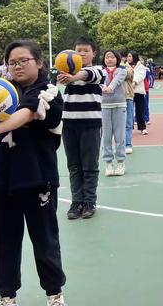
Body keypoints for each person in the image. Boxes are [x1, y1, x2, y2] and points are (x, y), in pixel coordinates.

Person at [0, 40, 67, 306]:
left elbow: (25, 114)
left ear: (38, 62)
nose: (17, 66)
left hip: (37, 178)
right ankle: (7, 297)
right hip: (1, 177)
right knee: (4, 242)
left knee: (45, 241)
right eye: (12, 62)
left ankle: (54, 294)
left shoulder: (48, 91)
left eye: (23, 60)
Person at [58, 37, 105, 220]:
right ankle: (76, 202)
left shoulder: (98, 70)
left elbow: (88, 75)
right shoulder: (65, 74)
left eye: (86, 50)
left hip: (91, 125)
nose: (82, 53)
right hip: (69, 124)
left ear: (94, 53)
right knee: (74, 166)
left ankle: (89, 202)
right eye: (78, 50)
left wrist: (73, 77)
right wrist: (67, 76)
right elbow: (60, 79)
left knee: (90, 166)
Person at [101, 49, 127, 177]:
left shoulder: (122, 71)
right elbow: (99, 83)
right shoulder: (100, 72)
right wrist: (103, 88)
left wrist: (109, 88)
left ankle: (121, 162)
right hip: (104, 106)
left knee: (119, 136)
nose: (109, 59)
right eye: (107, 57)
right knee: (106, 137)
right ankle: (109, 164)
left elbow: (117, 80)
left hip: (119, 105)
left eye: (111, 57)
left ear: (116, 58)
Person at [128, 52, 148, 135]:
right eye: (128, 56)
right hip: (129, 92)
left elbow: (141, 76)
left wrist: (134, 82)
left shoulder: (141, 67)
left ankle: (142, 128)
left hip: (138, 91)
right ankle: (129, 127)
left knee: (140, 110)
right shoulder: (125, 66)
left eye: (130, 56)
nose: (128, 58)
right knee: (129, 111)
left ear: (134, 57)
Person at [124, 56, 135, 154]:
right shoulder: (109, 68)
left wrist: (123, 66)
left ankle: (128, 144)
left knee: (128, 122)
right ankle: (119, 144)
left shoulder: (128, 68)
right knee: (117, 124)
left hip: (128, 97)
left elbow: (128, 75)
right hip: (115, 99)